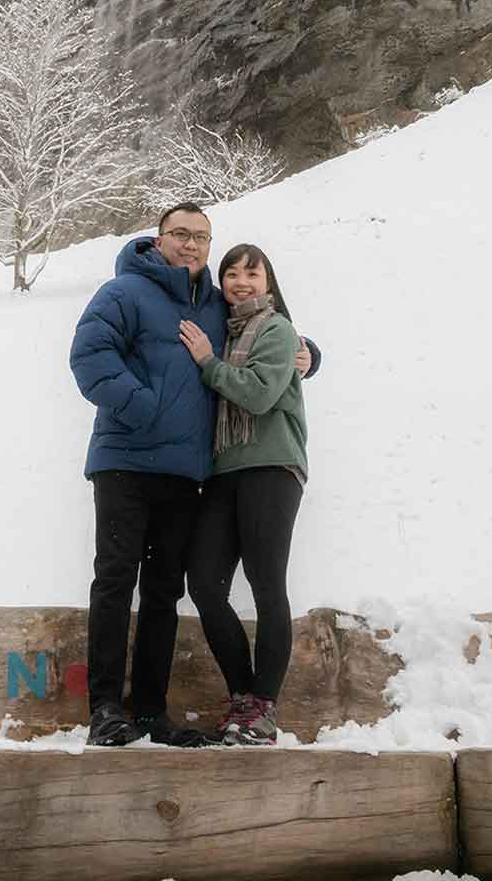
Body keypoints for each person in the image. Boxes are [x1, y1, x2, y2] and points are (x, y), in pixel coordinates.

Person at [69, 204, 319, 748]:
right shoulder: (123, 293)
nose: (191, 245)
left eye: (201, 237)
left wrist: (309, 352)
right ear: (158, 239)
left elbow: (259, 333)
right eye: (180, 234)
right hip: (126, 462)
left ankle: (153, 713)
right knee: (115, 581)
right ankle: (107, 710)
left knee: (163, 592)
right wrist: (141, 408)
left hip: (185, 475)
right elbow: (89, 354)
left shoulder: (212, 301)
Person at [178, 243, 307, 745]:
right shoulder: (223, 328)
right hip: (223, 470)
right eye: (231, 273)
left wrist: (209, 364)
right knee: (206, 584)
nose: (240, 282)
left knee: (265, 582)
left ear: (268, 283)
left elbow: (257, 394)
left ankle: (263, 708)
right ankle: (242, 697)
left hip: (272, 466)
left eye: (252, 274)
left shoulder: (276, 329)